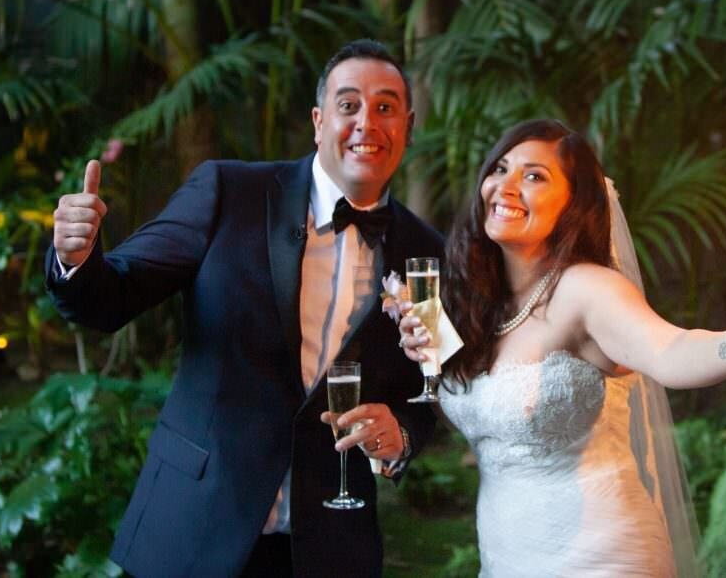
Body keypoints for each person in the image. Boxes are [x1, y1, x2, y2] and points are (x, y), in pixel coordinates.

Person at [46, 39, 442, 577]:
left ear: (408, 125)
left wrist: (402, 436)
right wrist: (77, 258)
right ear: (319, 120)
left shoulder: (427, 254)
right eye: (349, 105)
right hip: (197, 526)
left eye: (386, 107)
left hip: (328, 544)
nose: (367, 122)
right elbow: (110, 298)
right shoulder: (229, 191)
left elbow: (429, 387)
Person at [398, 119, 726, 577]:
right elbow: (484, 414)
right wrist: (431, 358)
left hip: (598, 556)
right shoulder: (474, 305)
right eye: (500, 168)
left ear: (572, 204)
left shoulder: (587, 289)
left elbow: (669, 350)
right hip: (505, 560)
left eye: (534, 176)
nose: (506, 186)